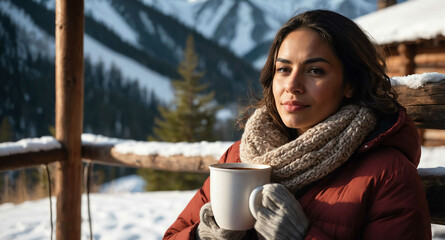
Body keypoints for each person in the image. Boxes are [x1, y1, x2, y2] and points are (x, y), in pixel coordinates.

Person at [163, 9, 431, 240]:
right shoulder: (238, 157)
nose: (292, 85)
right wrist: (202, 235)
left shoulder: (388, 175)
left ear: (350, 83)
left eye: (315, 70)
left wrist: (301, 236)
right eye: (283, 69)